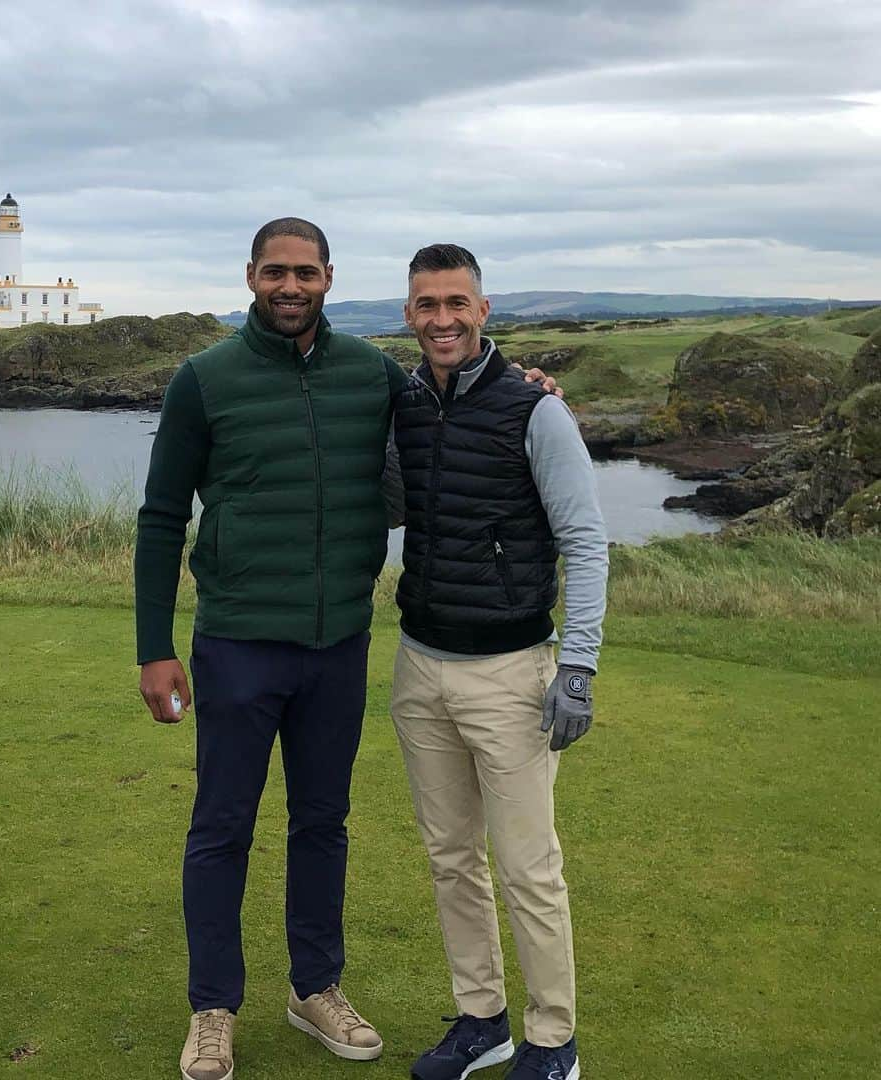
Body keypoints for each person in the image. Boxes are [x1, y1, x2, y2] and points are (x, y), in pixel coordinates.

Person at [135, 219, 558, 1080]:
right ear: (252, 276)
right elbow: (161, 516)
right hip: (237, 643)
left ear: (329, 278)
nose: (291, 287)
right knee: (222, 826)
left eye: (306, 273)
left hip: (338, 645)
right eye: (275, 273)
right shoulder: (203, 379)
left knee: (323, 824)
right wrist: (154, 646)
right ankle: (212, 1007)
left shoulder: (373, 377)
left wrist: (525, 384)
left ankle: (315, 987)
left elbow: (458, 399)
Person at [388, 244, 607, 1080]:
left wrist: (577, 667)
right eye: (425, 304)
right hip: (420, 664)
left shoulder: (536, 409)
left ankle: (556, 1041)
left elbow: (585, 539)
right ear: (408, 315)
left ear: (484, 310)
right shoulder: (404, 403)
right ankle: (483, 1020)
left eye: (456, 302)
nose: (441, 318)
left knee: (527, 866)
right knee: (451, 858)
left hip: (513, 671)